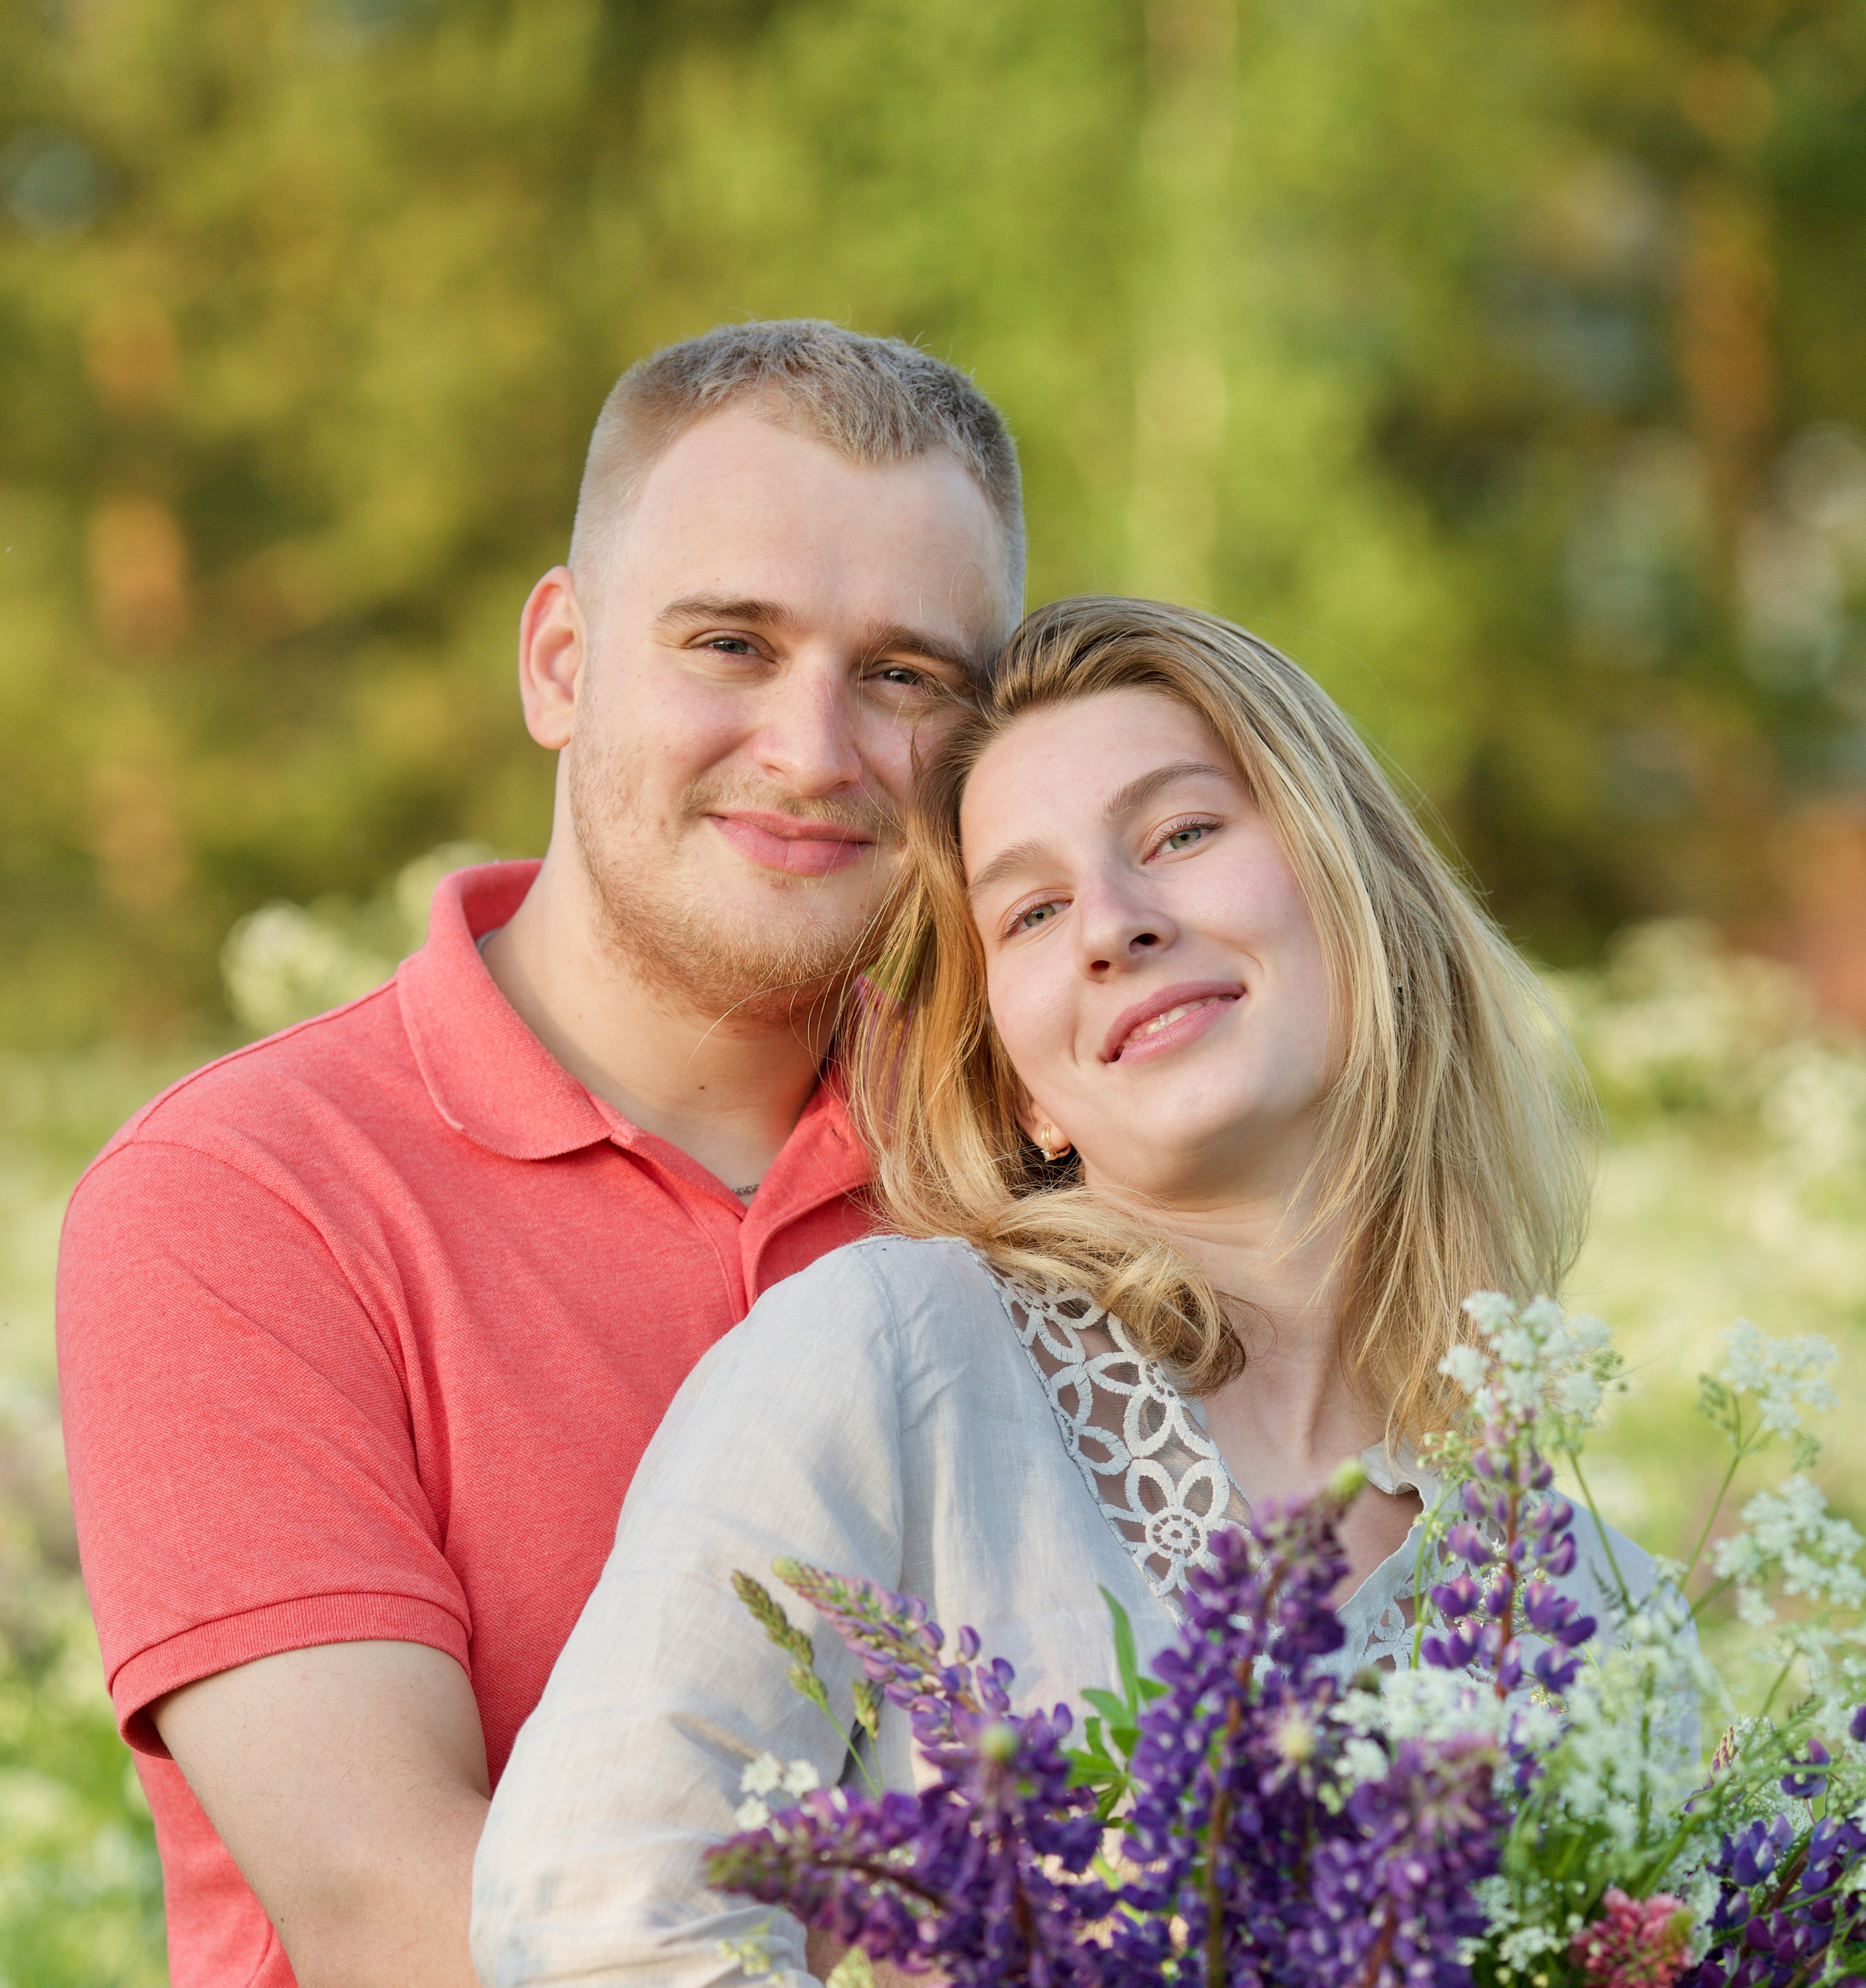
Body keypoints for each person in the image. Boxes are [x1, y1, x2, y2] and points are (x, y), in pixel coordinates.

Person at [469, 595, 1668, 1987]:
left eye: (1181, 834)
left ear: (1360, 896)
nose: (1112, 925)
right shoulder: (901, 1359)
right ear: (1025, 1085)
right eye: (1033, 911)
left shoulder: (1599, 1601)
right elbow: (589, 1910)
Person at [55, 320, 1024, 1988]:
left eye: (904, 674)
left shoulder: (1048, 1157)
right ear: (559, 662)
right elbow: (403, 1911)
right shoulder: (243, 1195)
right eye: (730, 641)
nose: (811, 748)